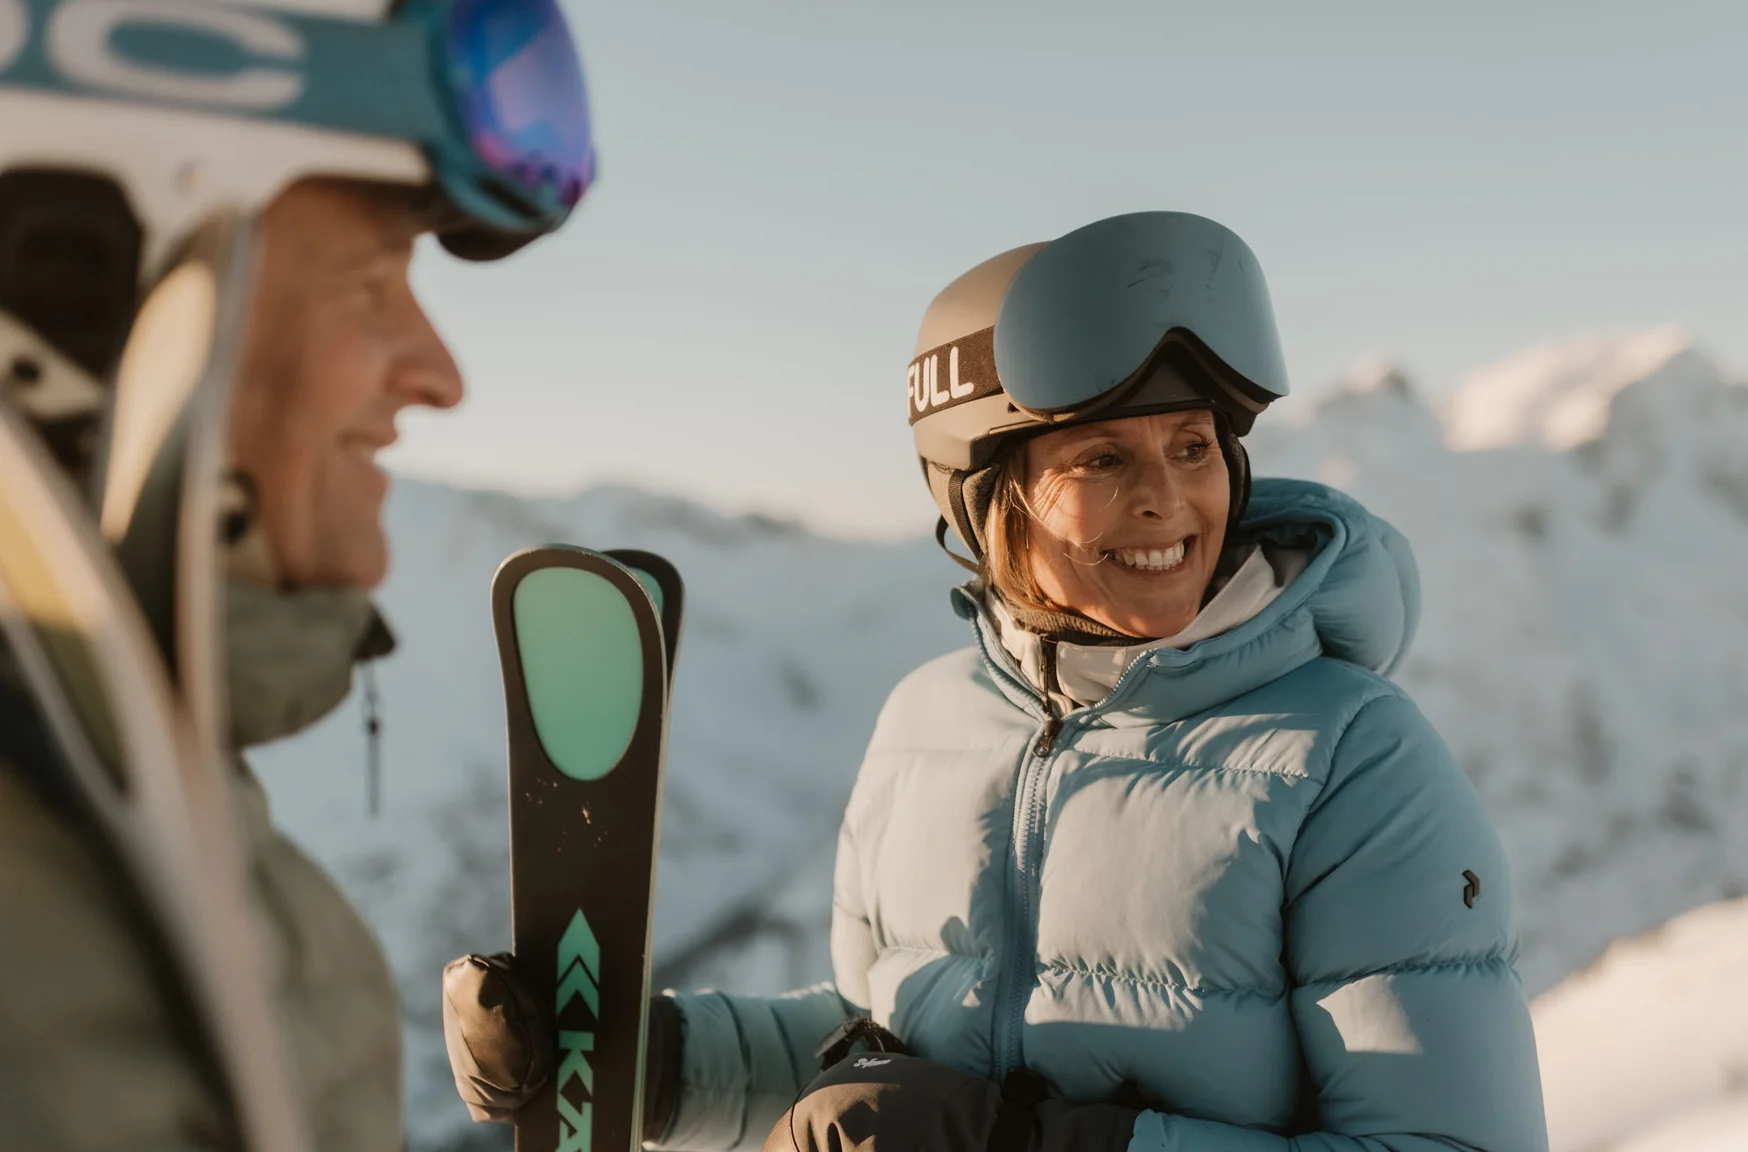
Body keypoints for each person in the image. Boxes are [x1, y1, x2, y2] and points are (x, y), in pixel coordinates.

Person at [447, 211, 1549, 1152]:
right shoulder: (928, 723)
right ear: (988, 502)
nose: (1169, 501)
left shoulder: (1349, 760)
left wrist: (1016, 1143)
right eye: (1103, 459)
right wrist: (647, 1065)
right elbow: (875, 1038)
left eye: (1193, 447)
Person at [0, 1, 598, 1148]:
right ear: (79, 285)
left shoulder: (115, 798)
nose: (441, 376)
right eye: (373, 281)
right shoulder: (44, 968)